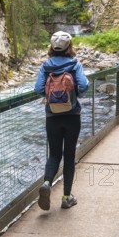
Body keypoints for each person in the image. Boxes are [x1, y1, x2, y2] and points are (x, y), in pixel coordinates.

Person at [34, 31, 89, 210]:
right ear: (69, 47)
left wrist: (50, 97)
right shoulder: (74, 64)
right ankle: (66, 197)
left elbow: (38, 88)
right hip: (72, 115)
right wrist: (74, 95)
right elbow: (84, 85)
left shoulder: (46, 66)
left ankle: (47, 183)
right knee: (69, 155)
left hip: (52, 116)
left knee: (55, 154)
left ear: (52, 47)